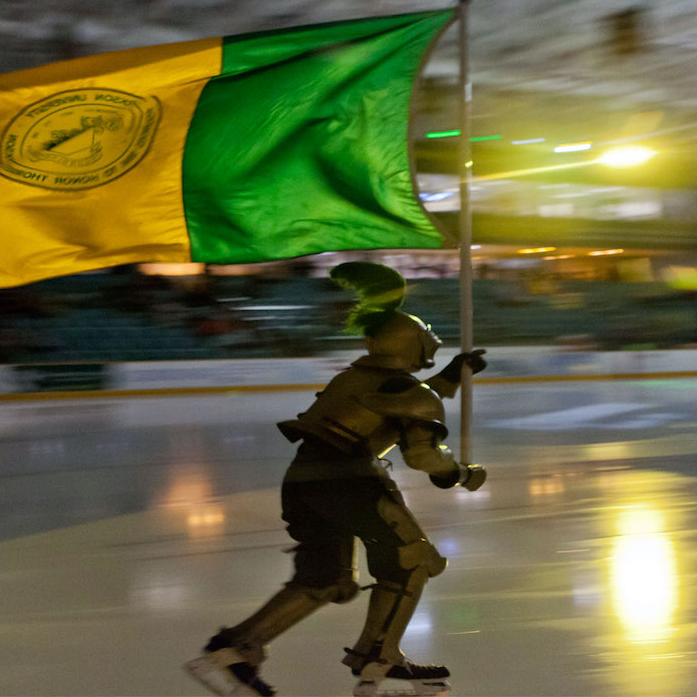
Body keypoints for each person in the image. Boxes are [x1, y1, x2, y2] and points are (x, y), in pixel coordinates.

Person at [186, 263, 488, 697]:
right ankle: (380, 659)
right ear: (412, 343)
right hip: (352, 482)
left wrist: (449, 378)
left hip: (305, 479)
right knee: (413, 561)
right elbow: (422, 455)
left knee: (326, 577)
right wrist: (461, 474)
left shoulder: (355, 378)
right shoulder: (407, 392)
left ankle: (234, 649)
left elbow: (395, 399)